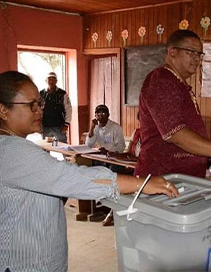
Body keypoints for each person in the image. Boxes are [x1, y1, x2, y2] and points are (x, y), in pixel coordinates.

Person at [0, 71, 178, 272]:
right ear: (4, 111)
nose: (40, 111)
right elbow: (72, 178)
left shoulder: (14, 147)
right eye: (31, 105)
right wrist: (142, 184)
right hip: (23, 264)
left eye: (39, 104)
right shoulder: (12, 151)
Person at [135, 30, 211, 178]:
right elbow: (175, 133)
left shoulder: (179, 84)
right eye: (191, 52)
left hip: (180, 179)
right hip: (160, 180)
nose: (197, 59)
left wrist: (202, 172)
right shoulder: (161, 80)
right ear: (172, 52)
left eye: (199, 54)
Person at [40, 71, 72, 143]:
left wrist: (66, 124)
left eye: (53, 79)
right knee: (45, 148)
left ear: (56, 81)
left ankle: (66, 155)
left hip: (59, 126)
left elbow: (68, 109)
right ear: (46, 80)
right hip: (45, 126)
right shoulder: (41, 94)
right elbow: (38, 110)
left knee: (63, 147)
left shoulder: (62, 94)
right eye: (49, 79)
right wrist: (39, 125)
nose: (51, 81)